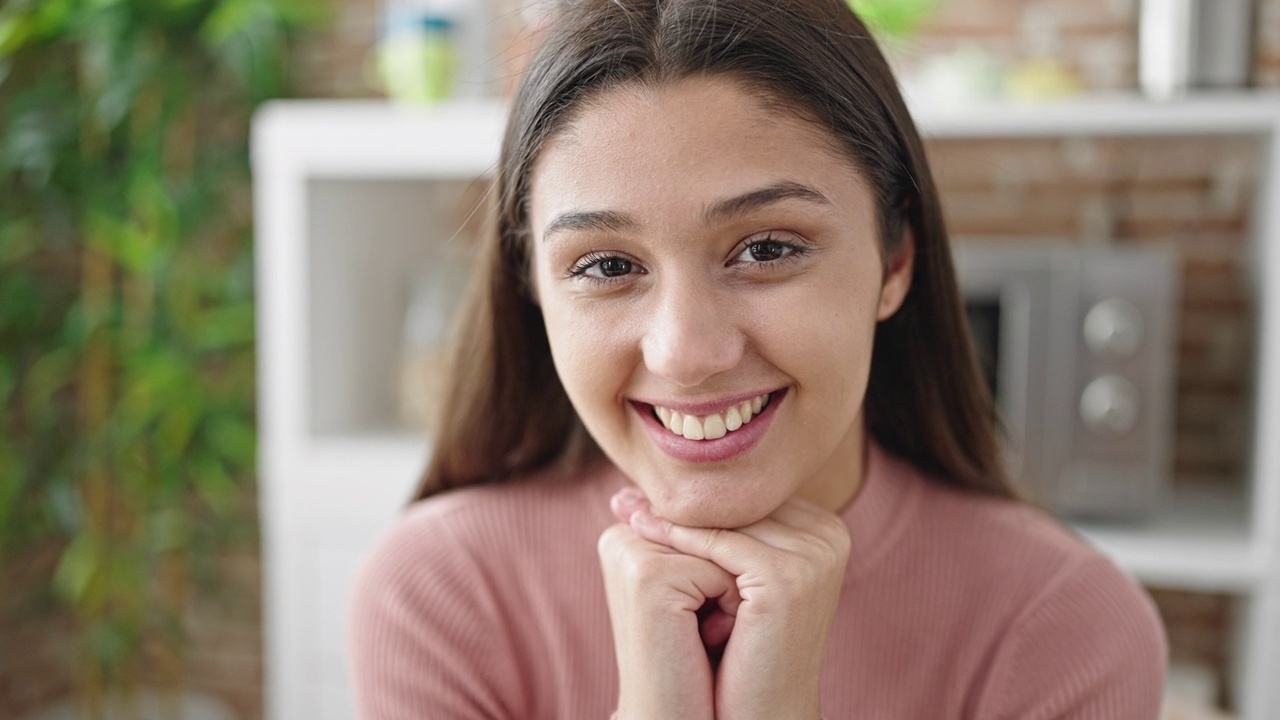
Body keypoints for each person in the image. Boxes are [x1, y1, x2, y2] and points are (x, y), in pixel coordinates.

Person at [348, 0, 1168, 717]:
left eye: (768, 248)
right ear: (532, 286)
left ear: (894, 258)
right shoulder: (441, 594)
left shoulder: (1065, 627)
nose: (686, 353)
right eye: (605, 266)